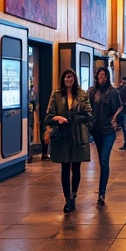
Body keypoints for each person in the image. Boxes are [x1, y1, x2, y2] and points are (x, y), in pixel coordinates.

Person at [45, 69, 92, 211]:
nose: (68, 79)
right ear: (63, 79)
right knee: (65, 167)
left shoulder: (82, 94)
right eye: (66, 77)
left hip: (78, 134)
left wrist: (73, 118)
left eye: (71, 77)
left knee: (76, 167)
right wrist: (57, 118)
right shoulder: (56, 95)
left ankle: (74, 194)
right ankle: (67, 200)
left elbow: (89, 115)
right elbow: (48, 116)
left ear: (75, 79)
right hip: (63, 136)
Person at [88, 65, 122, 204]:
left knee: (104, 160)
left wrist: (114, 121)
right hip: (96, 130)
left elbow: (118, 108)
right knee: (101, 160)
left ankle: (102, 193)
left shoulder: (112, 92)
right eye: (99, 75)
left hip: (108, 130)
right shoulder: (92, 91)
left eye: (103, 76)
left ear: (107, 77)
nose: (101, 78)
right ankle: (101, 191)